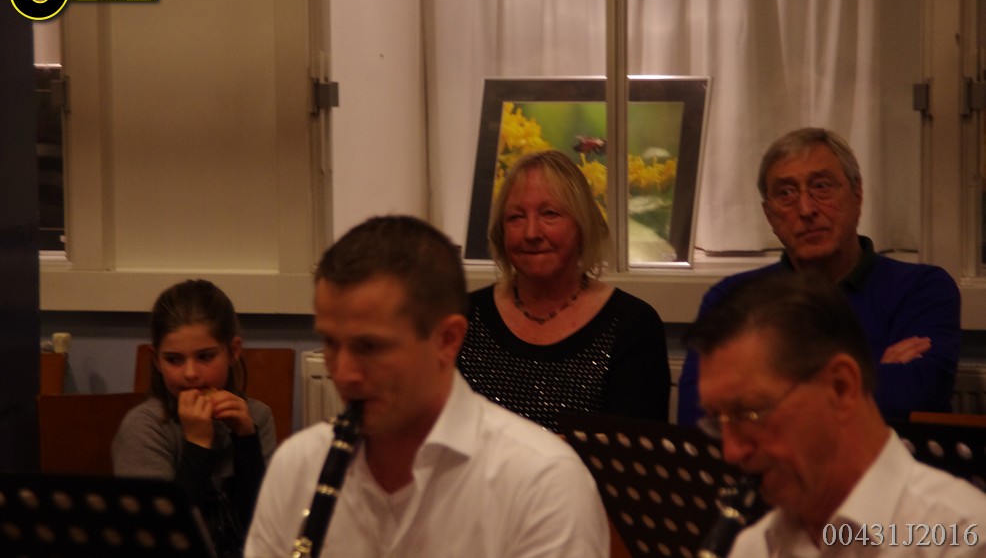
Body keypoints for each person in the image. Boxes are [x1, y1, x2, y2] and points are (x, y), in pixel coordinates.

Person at [244, 215, 608, 557]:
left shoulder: (543, 480)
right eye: (330, 343)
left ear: (447, 340)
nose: (344, 374)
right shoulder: (298, 465)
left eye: (369, 347)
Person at [688, 270, 985, 557]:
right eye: (717, 421)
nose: (731, 452)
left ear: (840, 387)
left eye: (749, 414)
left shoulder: (964, 538)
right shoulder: (751, 547)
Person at [678, 127, 961, 425]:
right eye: (786, 193)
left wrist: (759, 388)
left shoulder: (921, 289)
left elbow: (915, 396)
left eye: (822, 186)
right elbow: (696, 414)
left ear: (857, 195)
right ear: (769, 214)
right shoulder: (731, 298)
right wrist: (869, 376)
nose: (806, 209)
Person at [458, 150, 670, 432]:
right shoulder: (464, 317)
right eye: (516, 217)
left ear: (583, 226)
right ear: (500, 232)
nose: (531, 233)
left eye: (550, 214)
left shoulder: (633, 326)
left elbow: (632, 450)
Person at [113, 279, 276, 558]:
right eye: (174, 359)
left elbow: (267, 528)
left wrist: (246, 440)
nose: (190, 373)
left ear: (233, 352)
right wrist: (198, 445)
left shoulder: (257, 416)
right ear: (156, 359)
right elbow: (160, 538)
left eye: (205, 356)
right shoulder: (145, 427)